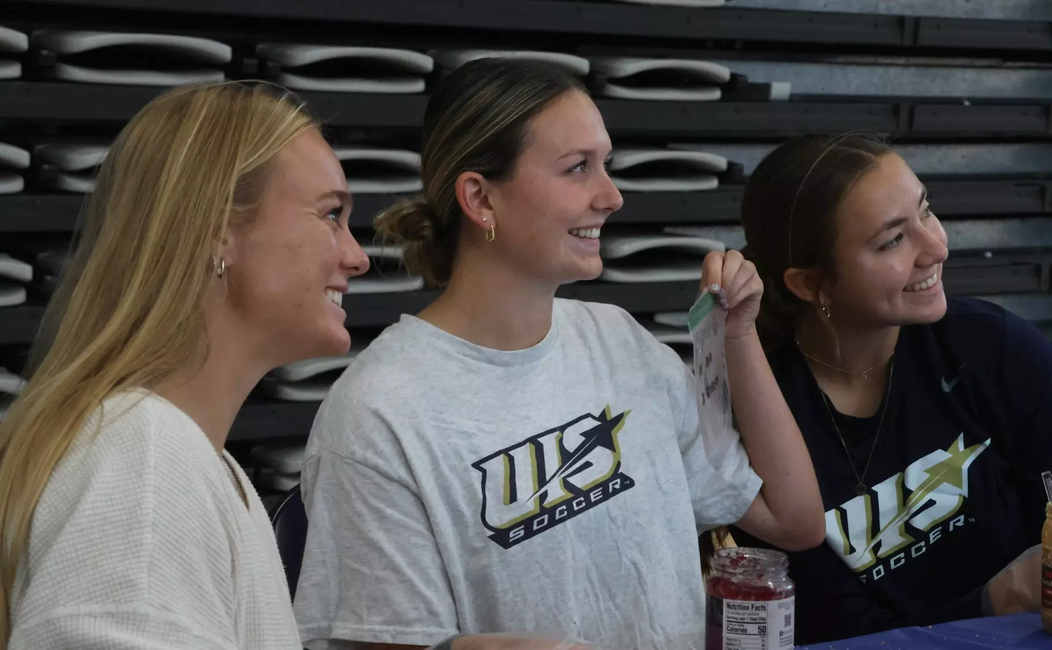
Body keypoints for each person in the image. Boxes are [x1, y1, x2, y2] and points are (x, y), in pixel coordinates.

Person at [293, 58, 824, 650]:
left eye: (608, 166)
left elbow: (793, 520)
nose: (613, 196)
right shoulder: (378, 413)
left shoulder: (622, 344)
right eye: (578, 169)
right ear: (480, 198)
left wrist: (739, 337)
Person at [0, 82, 372, 649]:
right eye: (330, 215)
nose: (358, 256)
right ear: (217, 228)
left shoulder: (188, 458)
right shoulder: (145, 459)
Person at [730, 131, 1052, 644]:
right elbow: (826, 629)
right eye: (893, 240)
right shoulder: (761, 417)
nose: (937, 247)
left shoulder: (994, 348)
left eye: (926, 212)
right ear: (811, 284)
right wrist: (996, 597)